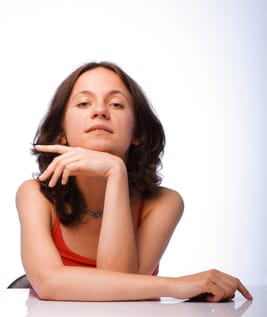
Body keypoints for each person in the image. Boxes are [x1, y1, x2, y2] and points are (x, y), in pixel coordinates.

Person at [16, 61, 252, 302]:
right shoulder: (34, 195)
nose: (99, 111)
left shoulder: (164, 203)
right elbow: (48, 283)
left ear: (137, 134)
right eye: (84, 103)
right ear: (61, 133)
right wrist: (172, 285)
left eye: (116, 104)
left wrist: (114, 172)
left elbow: (121, 293)